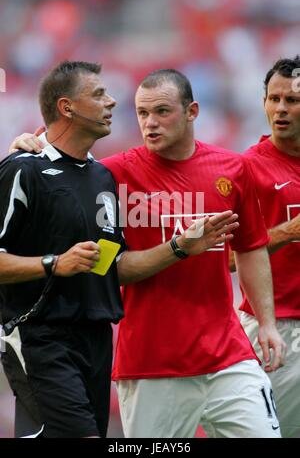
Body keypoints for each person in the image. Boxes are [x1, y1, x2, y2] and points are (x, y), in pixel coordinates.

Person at [8, 68, 286, 438]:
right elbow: (109, 265)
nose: (149, 123)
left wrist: (266, 322)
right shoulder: (111, 175)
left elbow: (251, 247)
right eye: (142, 113)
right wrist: (27, 147)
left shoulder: (232, 168)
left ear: (192, 111)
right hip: (150, 364)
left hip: (229, 356)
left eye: (162, 112)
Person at [229, 56, 300, 438]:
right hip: (278, 331)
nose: (281, 109)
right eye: (274, 99)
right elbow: (222, 258)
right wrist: (286, 232)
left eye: (292, 100)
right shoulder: (247, 169)